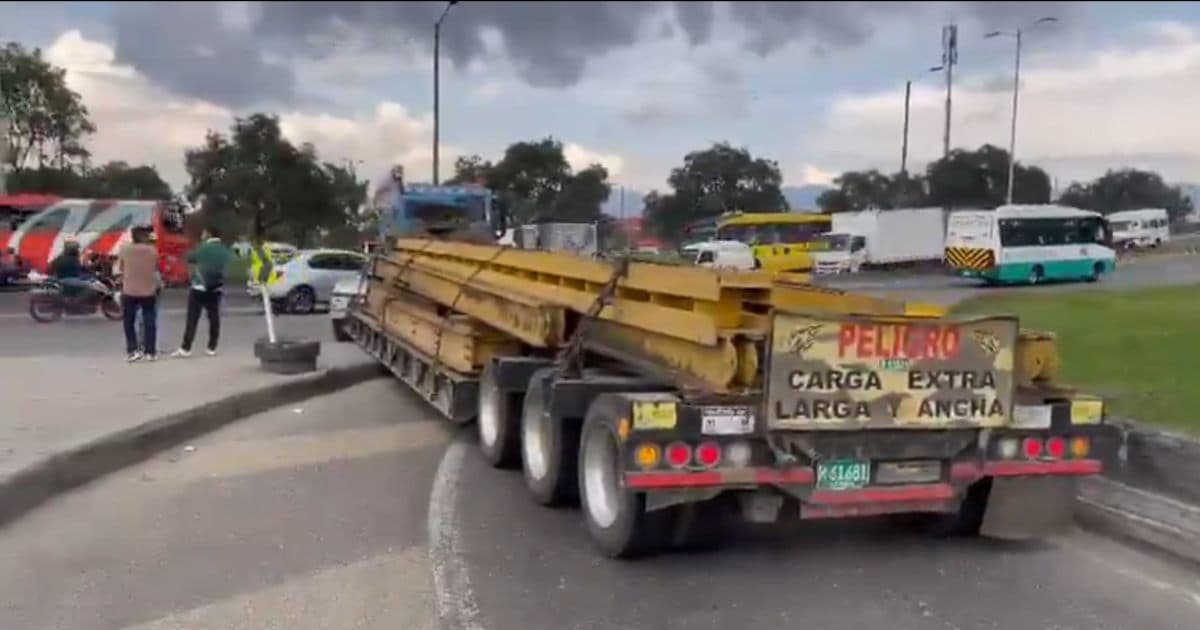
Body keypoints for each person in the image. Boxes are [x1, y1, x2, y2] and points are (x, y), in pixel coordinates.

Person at [173, 228, 232, 358]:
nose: (202, 235)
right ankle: (212, 347)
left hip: (200, 287)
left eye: (204, 233)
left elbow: (190, 257)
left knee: (192, 318)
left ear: (209, 234)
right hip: (216, 288)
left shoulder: (203, 247)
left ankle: (186, 348)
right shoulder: (224, 249)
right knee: (214, 318)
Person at [117, 226, 160, 362]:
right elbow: (156, 268)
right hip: (148, 291)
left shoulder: (125, 250)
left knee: (129, 321)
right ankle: (150, 352)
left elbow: (120, 268)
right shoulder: (152, 251)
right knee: (149, 320)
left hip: (129, 290)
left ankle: (132, 350)